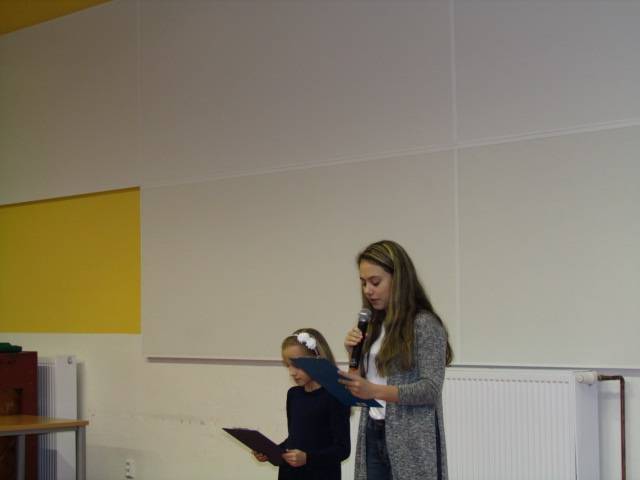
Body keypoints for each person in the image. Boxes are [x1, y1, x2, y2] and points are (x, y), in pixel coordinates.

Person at [339, 240, 453, 480]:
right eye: (363, 283)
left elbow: (430, 389)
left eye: (375, 282)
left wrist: (374, 391)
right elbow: (359, 388)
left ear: (398, 279)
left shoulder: (424, 324)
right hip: (373, 430)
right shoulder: (373, 325)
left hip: (410, 438)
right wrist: (353, 357)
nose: (368, 290)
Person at [253, 328, 351, 480]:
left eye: (297, 365)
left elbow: (342, 449)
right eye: (288, 365)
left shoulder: (335, 396)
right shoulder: (294, 395)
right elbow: (295, 439)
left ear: (317, 359)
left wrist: (307, 458)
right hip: (290, 474)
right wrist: (271, 451)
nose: (292, 372)